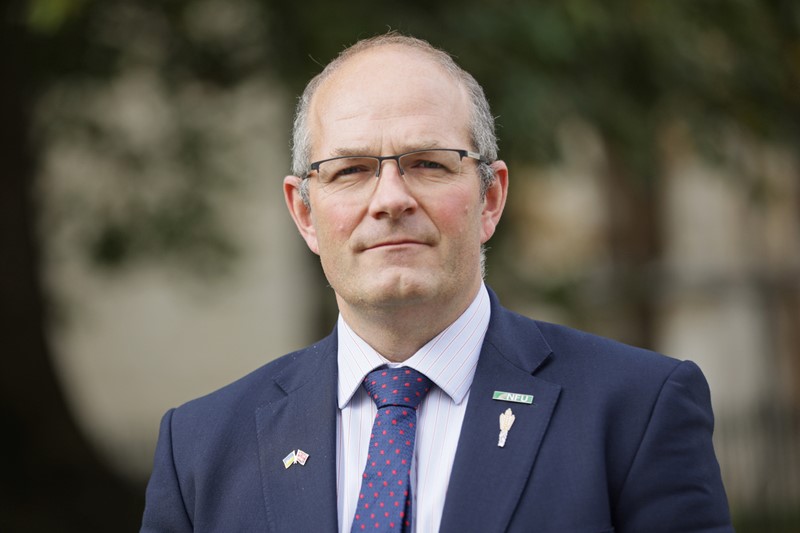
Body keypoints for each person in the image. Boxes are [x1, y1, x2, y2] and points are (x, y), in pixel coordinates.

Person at [141, 33, 732, 532]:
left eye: (428, 163)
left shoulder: (636, 412)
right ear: (304, 213)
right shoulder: (200, 447)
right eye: (350, 170)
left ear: (490, 198)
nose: (391, 199)